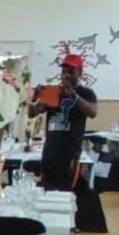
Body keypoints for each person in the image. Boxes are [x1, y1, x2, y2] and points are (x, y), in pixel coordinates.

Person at [30, 54, 98, 191]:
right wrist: (33, 98)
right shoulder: (53, 92)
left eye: (71, 72)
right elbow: (32, 113)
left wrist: (74, 96)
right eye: (64, 71)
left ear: (80, 72)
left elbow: (92, 112)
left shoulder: (86, 93)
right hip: (49, 153)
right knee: (46, 192)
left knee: (66, 193)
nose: (66, 75)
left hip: (70, 155)